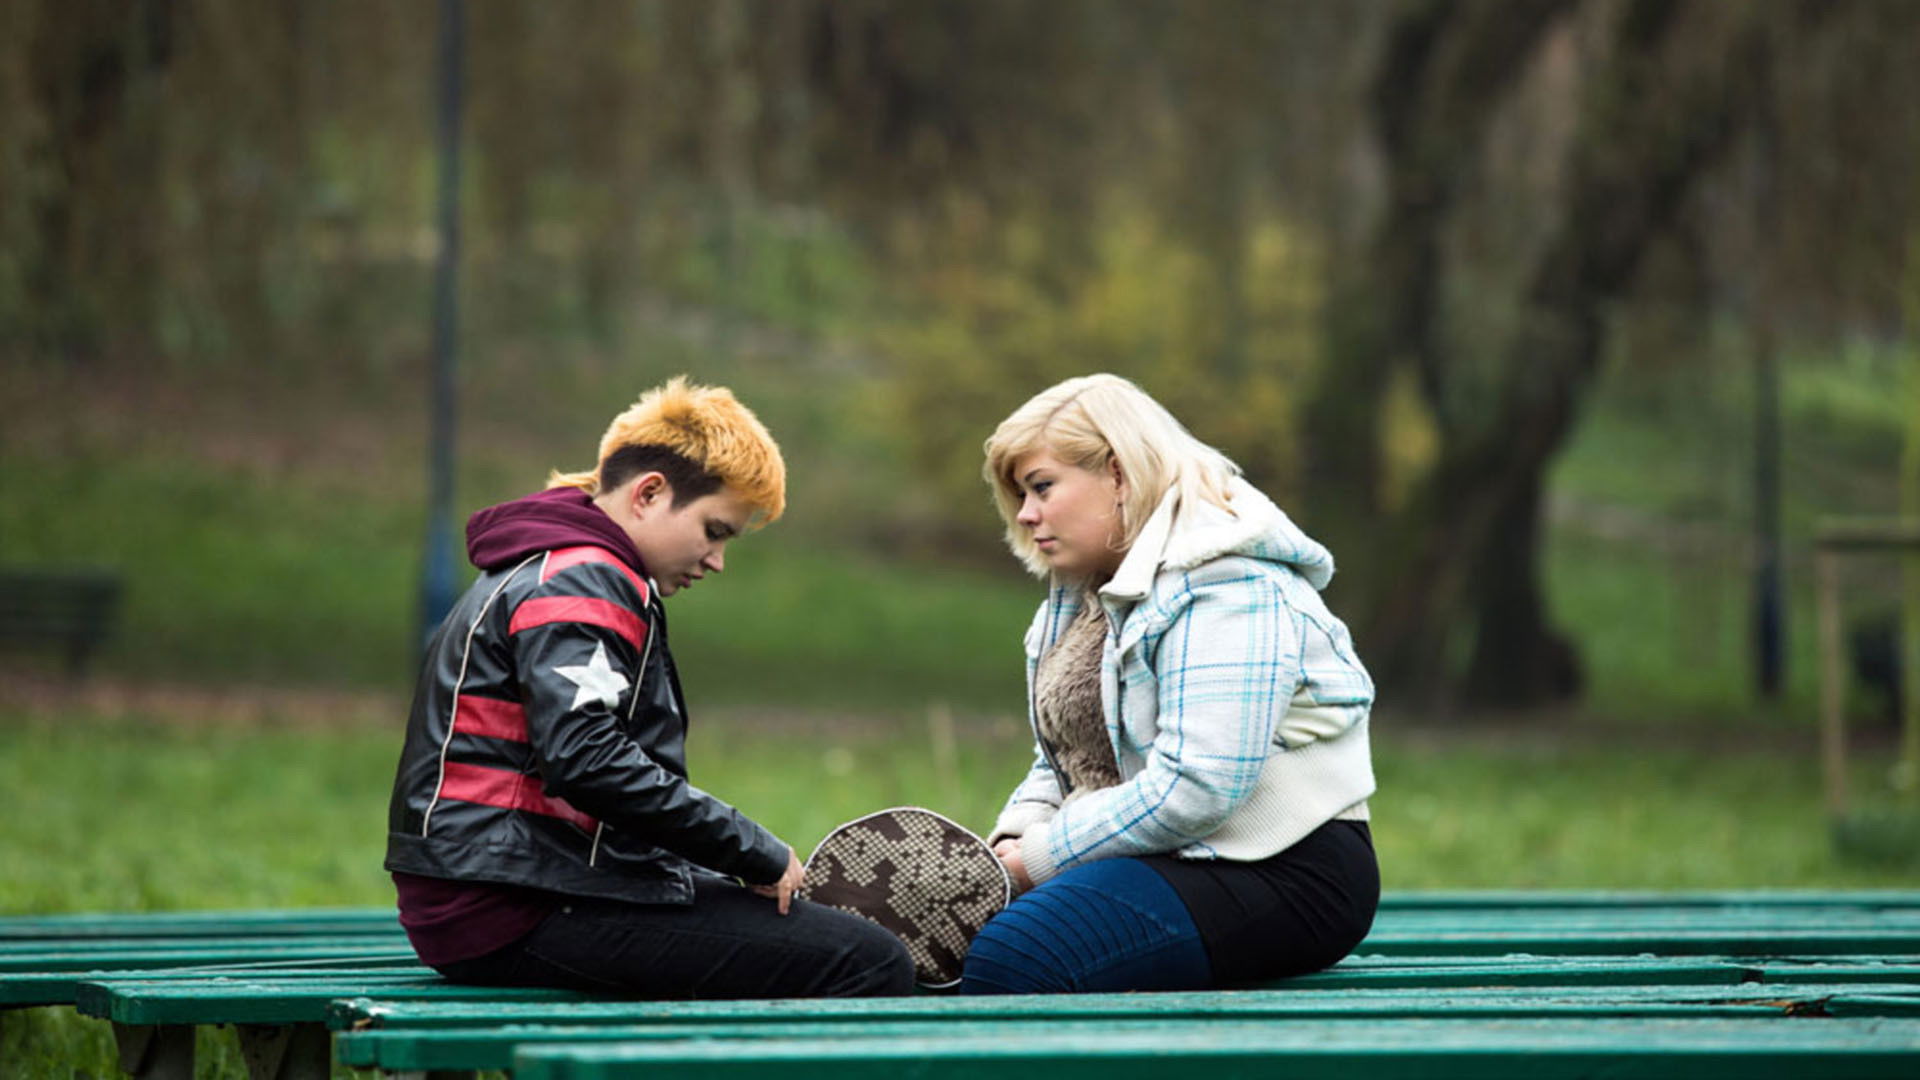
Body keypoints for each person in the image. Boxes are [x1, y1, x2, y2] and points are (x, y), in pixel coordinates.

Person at [384, 377, 914, 999]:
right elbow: (588, 760)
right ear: (649, 493)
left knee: (804, 934)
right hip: (510, 904)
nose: (716, 560)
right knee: (868, 960)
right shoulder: (585, 577)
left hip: (500, 887)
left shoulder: (550, 563)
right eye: (715, 530)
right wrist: (751, 850)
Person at [960, 373, 1379, 994]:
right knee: (932, 944)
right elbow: (1065, 757)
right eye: (1021, 493)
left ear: (1118, 473)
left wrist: (1041, 858)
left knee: (1015, 959)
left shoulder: (1229, 585)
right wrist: (1014, 837)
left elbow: (1198, 786)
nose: (1026, 513)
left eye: (1042, 487)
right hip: (1161, 854)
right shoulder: (1084, 596)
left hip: (1279, 869)